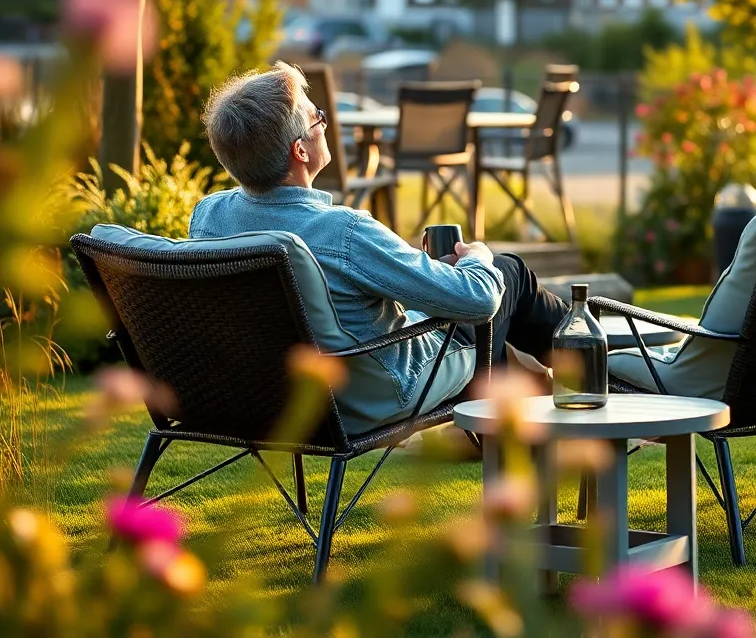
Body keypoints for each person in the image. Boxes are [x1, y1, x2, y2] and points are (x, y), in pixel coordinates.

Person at [190, 61, 568, 435]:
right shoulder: (342, 232)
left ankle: (529, 408)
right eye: (317, 119)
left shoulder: (210, 216)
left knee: (443, 292)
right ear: (300, 151)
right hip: (373, 393)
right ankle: (593, 357)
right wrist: (477, 258)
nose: (323, 124)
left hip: (259, 401)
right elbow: (479, 301)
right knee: (506, 274)